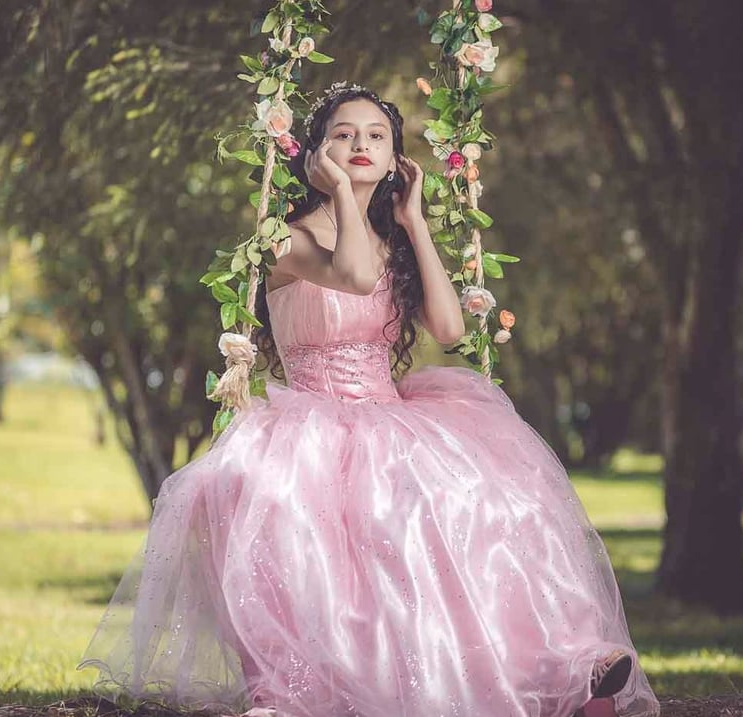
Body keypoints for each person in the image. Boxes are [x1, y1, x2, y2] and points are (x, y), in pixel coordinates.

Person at [78, 82, 661, 717]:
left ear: (395, 161)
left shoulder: (395, 243)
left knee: (474, 507)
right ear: (316, 153)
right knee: (319, 526)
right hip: (309, 421)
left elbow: (449, 329)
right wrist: (340, 197)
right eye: (344, 134)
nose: (361, 145)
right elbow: (353, 275)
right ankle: (298, 695)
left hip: (389, 413)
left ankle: (561, 663)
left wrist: (413, 222)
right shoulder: (284, 239)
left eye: (376, 136)